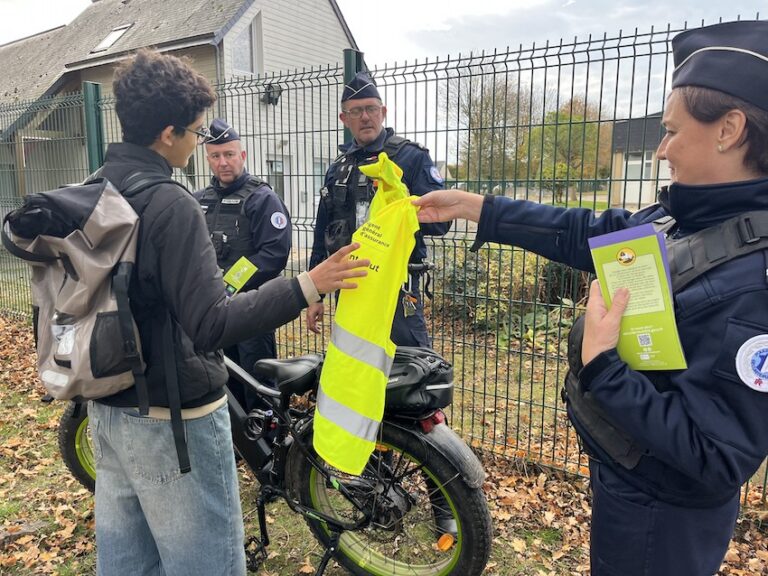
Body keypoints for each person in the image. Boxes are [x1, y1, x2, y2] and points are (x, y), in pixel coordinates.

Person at [414, 20, 768, 576]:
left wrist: (603, 366)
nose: (660, 151)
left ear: (729, 129)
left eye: (672, 131)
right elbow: (588, 233)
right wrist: (476, 207)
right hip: (627, 482)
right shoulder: (683, 216)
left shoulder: (753, 281)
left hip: (664, 517)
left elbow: (718, 455)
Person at [89, 49, 368, 576]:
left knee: (127, 557)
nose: (204, 147)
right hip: (175, 415)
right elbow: (211, 323)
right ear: (168, 133)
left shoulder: (98, 187)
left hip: (109, 400)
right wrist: (309, 285)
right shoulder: (172, 201)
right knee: (208, 561)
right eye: (197, 134)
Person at [307, 71, 451, 347]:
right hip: (351, 286)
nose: (365, 117)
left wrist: (401, 201)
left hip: (397, 287)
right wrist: (316, 295)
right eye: (356, 111)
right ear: (344, 119)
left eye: (371, 109)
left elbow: (441, 224)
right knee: (356, 365)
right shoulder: (338, 168)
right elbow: (322, 232)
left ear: (383, 112)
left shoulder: (411, 157)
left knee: (412, 368)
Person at [194, 119, 291, 409]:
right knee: (223, 377)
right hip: (215, 311)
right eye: (215, 155)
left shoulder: (262, 199)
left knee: (257, 377)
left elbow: (272, 255)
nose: (223, 162)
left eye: (229, 154)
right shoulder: (199, 200)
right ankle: (237, 445)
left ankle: (268, 445)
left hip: (252, 308)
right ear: (208, 158)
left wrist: (229, 283)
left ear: (243, 156)